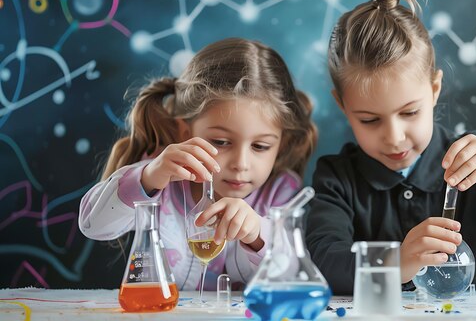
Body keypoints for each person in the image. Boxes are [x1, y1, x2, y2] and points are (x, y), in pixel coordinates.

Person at [305, 0, 476, 295]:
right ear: (343, 105)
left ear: (435, 88)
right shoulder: (336, 178)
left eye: (410, 112)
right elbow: (322, 265)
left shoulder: (475, 156)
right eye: (370, 120)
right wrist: (396, 262)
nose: (395, 138)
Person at [79, 38, 317, 291]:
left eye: (260, 146)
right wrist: (147, 177)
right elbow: (93, 225)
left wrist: (257, 233)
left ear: (281, 142)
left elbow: (294, 276)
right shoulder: (160, 178)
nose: (240, 164)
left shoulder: (281, 193)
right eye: (222, 142)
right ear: (185, 131)